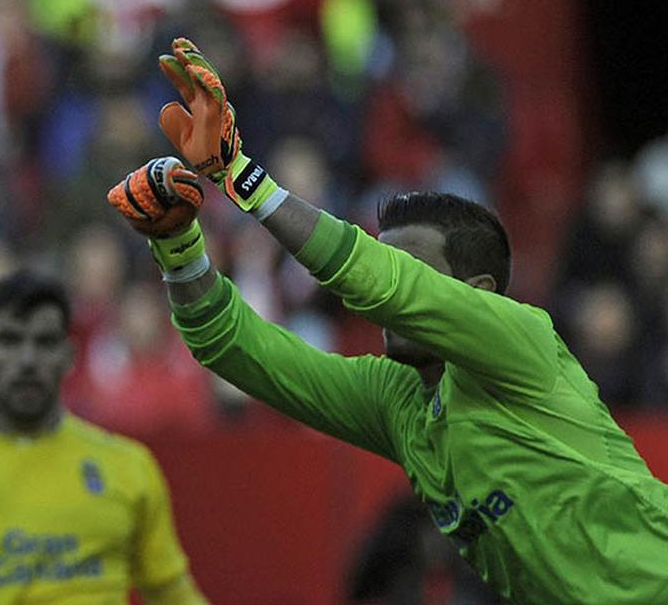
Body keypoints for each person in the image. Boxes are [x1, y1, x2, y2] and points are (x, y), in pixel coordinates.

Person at [107, 38, 668, 603]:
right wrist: (179, 246)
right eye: (388, 255)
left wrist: (242, 177)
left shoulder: (521, 341)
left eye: (415, 267)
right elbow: (235, 348)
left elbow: (379, 281)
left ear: (480, 295)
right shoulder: (398, 403)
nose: (387, 295)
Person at [0, 270, 207, 604]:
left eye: (44, 342)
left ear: (69, 357)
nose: (27, 360)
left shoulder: (129, 467)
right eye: (10, 340)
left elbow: (171, 592)